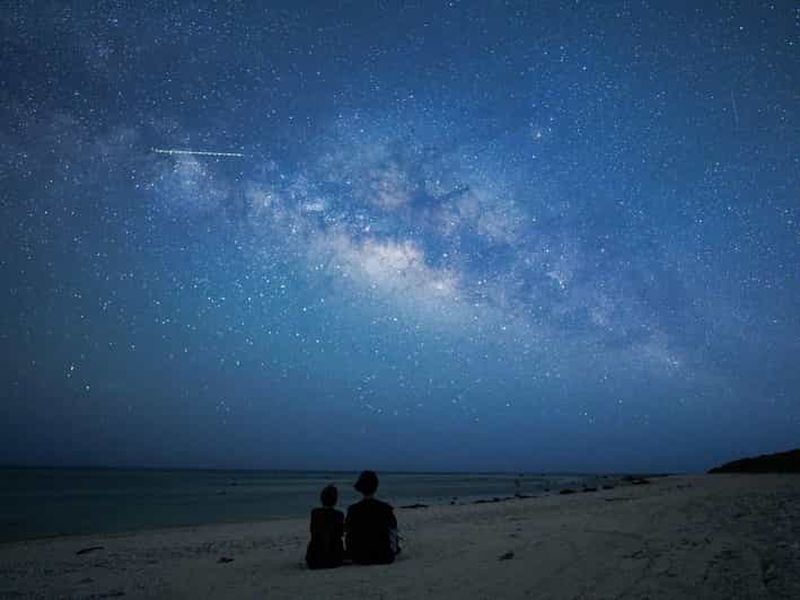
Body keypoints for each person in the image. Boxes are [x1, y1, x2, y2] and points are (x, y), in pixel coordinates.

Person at [345, 470, 399, 565]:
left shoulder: (353, 510)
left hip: (359, 556)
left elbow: (348, 534)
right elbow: (393, 531)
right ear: (376, 487)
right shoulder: (385, 509)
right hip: (383, 555)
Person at [305, 484, 344, 569]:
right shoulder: (339, 515)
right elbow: (340, 533)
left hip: (314, 556)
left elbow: (312, 531)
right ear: (335, 500)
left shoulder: (315, 513)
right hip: (335, 557)